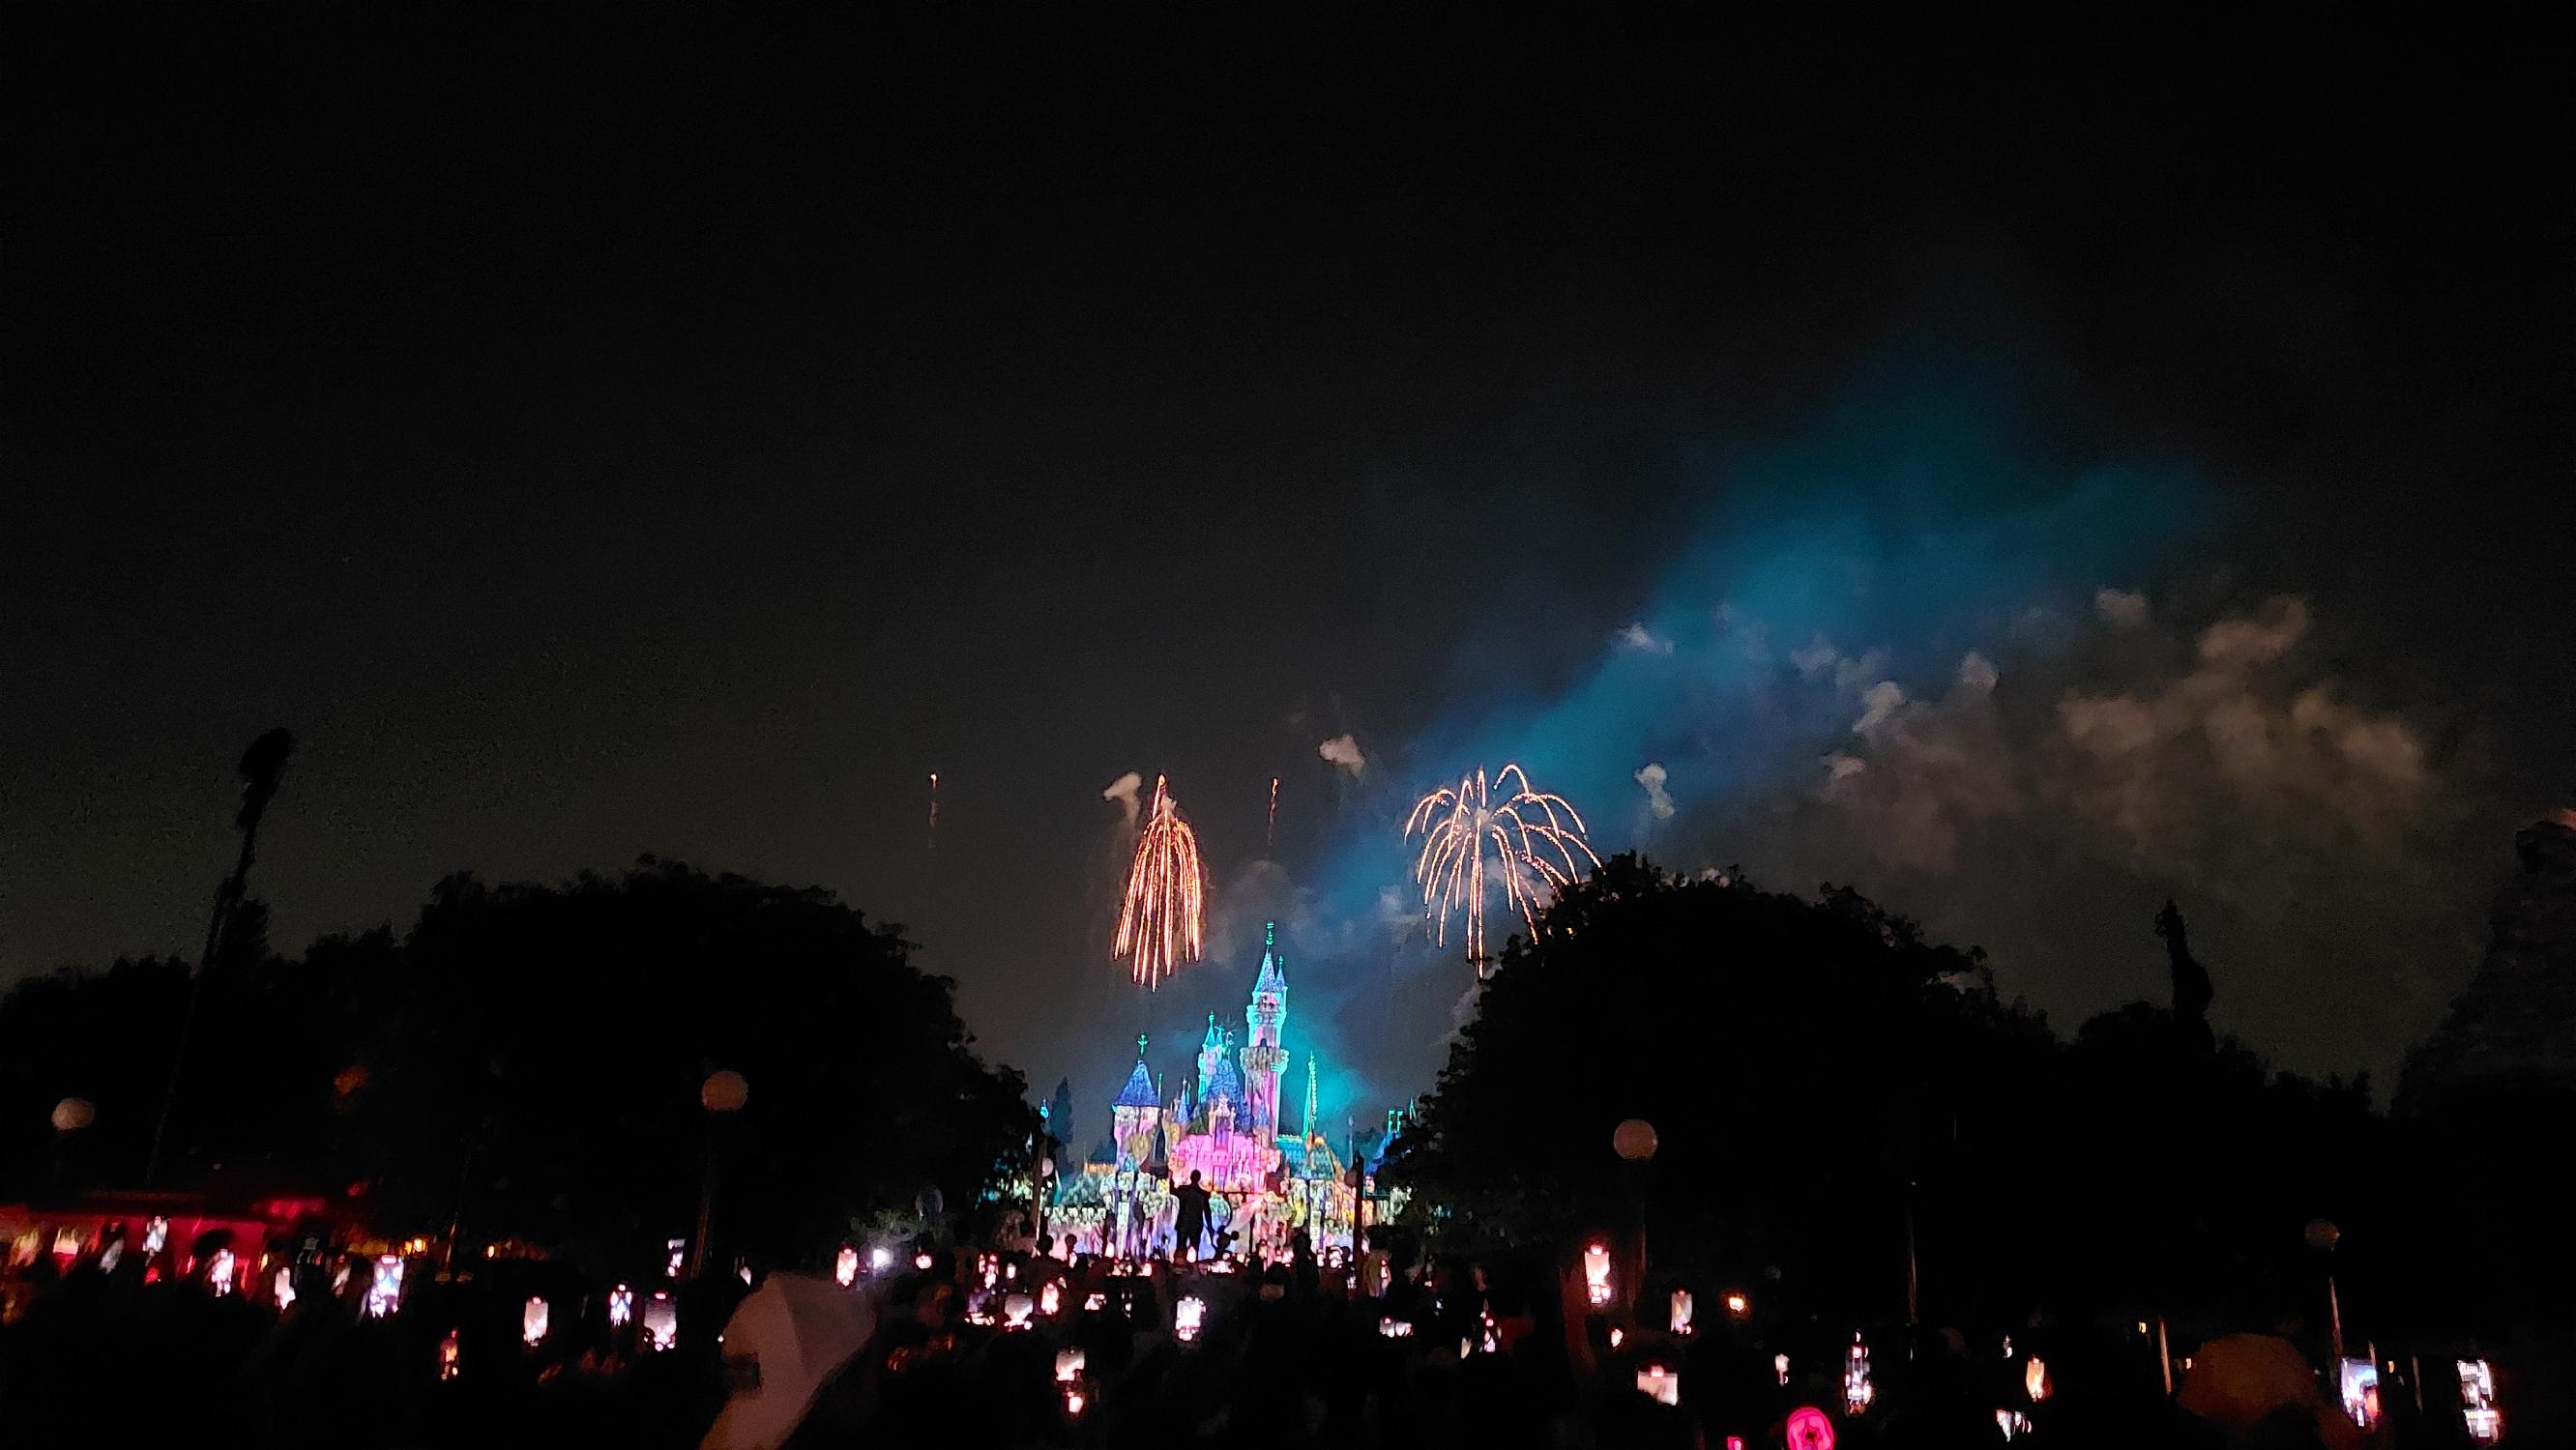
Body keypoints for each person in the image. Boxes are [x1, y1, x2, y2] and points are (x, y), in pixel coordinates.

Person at [1172, 1171, 1211, 1260]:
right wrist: (1210, 1226)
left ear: (1191, 1177)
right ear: (1199, 1179)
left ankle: (1180, 1263)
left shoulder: (1183, 1190)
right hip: (1195, 1225)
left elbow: (1172, 1191)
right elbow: (1207, 1212)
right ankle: (1190, 1264)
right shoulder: (1203, 1194)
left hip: (1184, 1224)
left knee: (1181, 1248)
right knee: (1193, 1249)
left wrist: (1170, 1180)